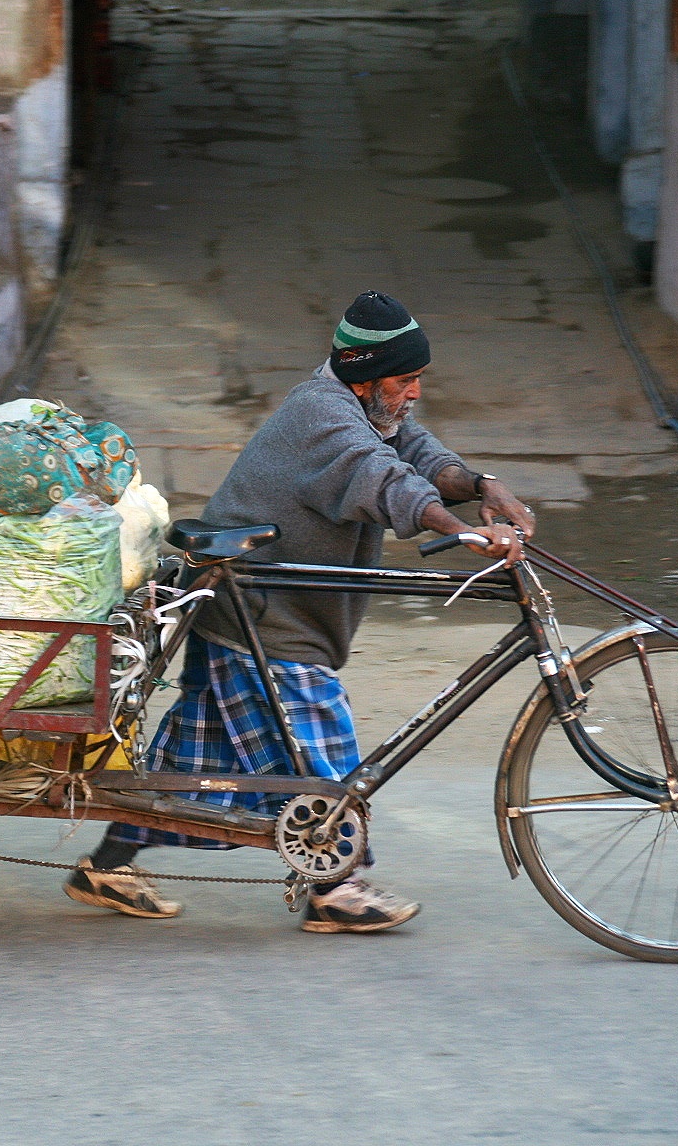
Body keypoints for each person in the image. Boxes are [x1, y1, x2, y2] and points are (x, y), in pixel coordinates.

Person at [64, 291, 536, 933]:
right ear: (367, 378)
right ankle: (334, 888)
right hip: (263, 609)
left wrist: (484, 487)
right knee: (321, 745)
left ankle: (106, 868)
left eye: (418, 379)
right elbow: (386, 480)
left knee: (194, 764)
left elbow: (421, 458)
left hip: (254, 599)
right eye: (406, 380)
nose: (415, 393)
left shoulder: (367, 409)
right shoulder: (322, 414)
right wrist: (463, 532)